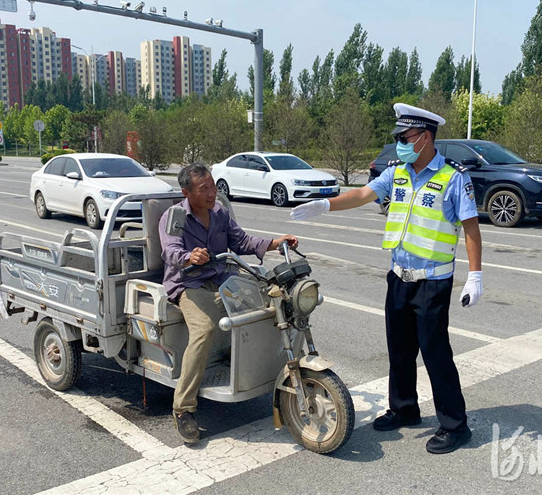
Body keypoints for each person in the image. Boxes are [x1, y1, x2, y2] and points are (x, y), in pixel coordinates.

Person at [291, 103, 483, 454]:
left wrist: (475, 275)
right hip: (399, 278)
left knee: (436, 354)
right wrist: (325, 204)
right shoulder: (397, 173)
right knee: (399, 350)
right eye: (398, 138)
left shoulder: (454, 177)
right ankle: (404, 408)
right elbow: (364, 194)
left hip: (432, 281)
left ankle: (455, 425)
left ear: (425, 137)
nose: (400, 144)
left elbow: (471, 227)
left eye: (405, 137)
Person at [159, 163, 299, 445]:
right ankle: (183, 409)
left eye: (212, 186)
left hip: (223, 277)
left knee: (271, 307)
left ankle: (265, 372)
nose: (212, 193)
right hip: (189, 284)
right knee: (205, 330)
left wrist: (276, 242)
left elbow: (242, 241)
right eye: (204, 189)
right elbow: (170, 250)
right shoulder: (174, 216)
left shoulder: (220, 212)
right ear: (187, 193)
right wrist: (189, 257)